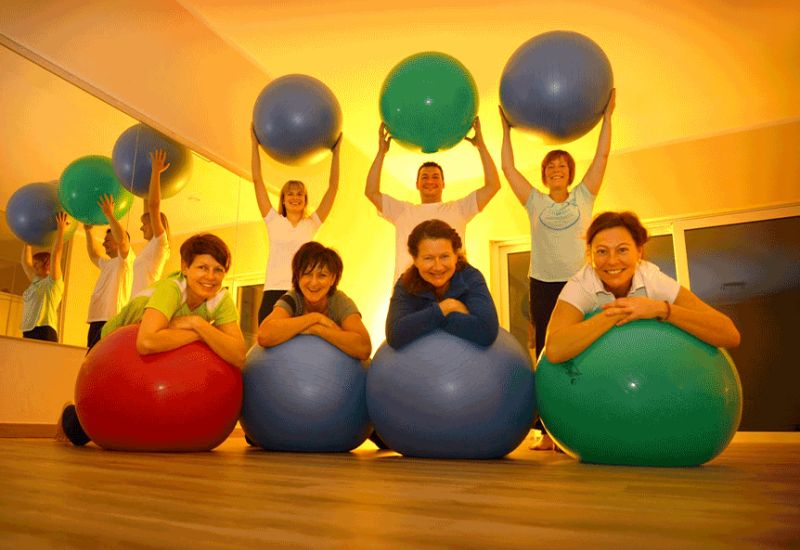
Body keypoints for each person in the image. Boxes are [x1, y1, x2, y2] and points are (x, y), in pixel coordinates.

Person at [59, 233, 247, 446]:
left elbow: (239, 355)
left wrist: (198, 324)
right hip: (110, 346)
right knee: (82, 430)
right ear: (185, 267)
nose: (210, 277)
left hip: (152, 359)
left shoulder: (220, 299)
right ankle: (68, 414)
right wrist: (202, 332)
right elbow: (147, 342)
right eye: (202, 267)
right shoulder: (172, 289)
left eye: (218, 270)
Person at [500, 89, 616, 361]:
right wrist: (505, 130)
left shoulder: (583, 196)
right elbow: (508, 169)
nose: (556, 170)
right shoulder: (534, 201)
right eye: (550, 167)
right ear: (544, 174)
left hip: (579, 280)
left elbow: (602, 156)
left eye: (562, 166)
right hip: (543, 284)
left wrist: (607, 117)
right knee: (547, 344)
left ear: (570, 172)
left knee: (583, 340)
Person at [545, 211, 741, 365]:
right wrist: (618, 312)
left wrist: (660, 309)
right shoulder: (581, 284)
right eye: (602, 251)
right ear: (590, 255)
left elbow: (729, 334)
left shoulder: (651, 277)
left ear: (639, 252)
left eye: (622, 250)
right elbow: (554, 350)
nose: (612, 261)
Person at [365, 118, 500, 281]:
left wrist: (481, 146)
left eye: (435, 177)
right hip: (410, 291)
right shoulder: (402, 211)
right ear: (417, 184)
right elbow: (371, 192)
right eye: (425, 177)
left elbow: (493, 186)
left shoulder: (459, 209)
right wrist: (381, 152)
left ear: (443, 184)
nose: (430, 181)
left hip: (451, 289)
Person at [251, 126, 341, 323]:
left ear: (305, 200)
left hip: (301, 292)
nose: (295, 197)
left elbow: (333, 188)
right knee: (266, 337)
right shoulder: (273, 220)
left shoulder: (311, 223)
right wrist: (254, 145)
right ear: (283, 200)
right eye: (290, 193)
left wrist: (336, 153)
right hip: (273, 290)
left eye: (300, 194)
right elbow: (257, 181)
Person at [386, 219, 498, 350]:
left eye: (445, 256)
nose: (438, 267)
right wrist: (445, 308)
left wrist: (423, 321)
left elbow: (486, 331)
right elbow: (395, 335)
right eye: (428, 258)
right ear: (415, 260)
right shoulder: (406, 283)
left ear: (456, 256)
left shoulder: (471, 277)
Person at [258, 241, 371, 361]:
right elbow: (264, 335)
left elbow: (364, 348)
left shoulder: (339, 301)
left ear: (332, 279)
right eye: (307, 274)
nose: (314, 283)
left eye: (322, 275)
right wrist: (315, 318)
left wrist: (317, 329)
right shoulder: (293, 298)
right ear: (298, 276)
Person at [84, 195, 135, 349]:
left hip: (111, 319)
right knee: (91, 358)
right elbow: (93, 254)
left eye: (107, 240)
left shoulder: (126, 260)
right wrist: (88, 231)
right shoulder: (107, 264)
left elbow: (123, 241)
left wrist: (109, 214)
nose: (104, 243)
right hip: (96, 319)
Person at [19, 212, 68, 342]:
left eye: (36, 264)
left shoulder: (53, 283)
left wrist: (61, 230)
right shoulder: (36, 281)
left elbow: (56, 256)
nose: (33, 267)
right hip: (28, 330)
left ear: (46, 264)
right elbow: (25, 262)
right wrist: (27, 241)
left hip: (45, 330)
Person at [131, 149, 171, 296]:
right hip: (138, 302)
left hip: (145, 302)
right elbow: (149, 206)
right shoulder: (153, 247)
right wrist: (146, 180)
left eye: (144, 224)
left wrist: (156, 172)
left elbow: (154, 206)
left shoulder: (160, 243)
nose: (141, 228)